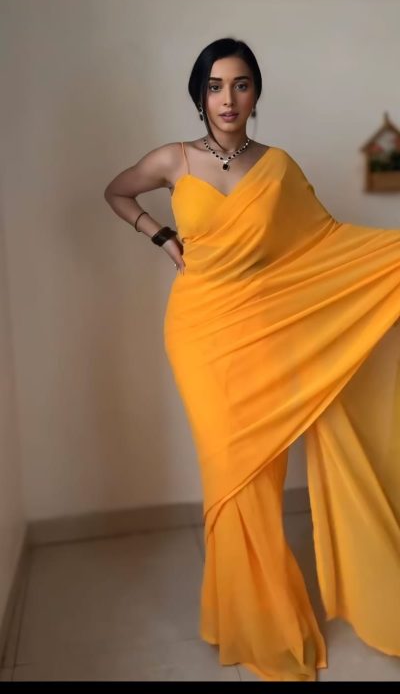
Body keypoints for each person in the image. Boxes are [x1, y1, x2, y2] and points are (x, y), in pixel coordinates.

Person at [104, 38, 400, 682]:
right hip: (199, 334)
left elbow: (323, 243)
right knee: (228, 475)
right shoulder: (173, 159)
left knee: (260, 476)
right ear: (199, 94)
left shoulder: (278, 167)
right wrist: (162, 236)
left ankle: (243, 617)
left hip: (264, 332)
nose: (228, 98)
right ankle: (251, 619)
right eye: (215, 86)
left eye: (240, 84)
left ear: (256, 92)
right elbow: (117, 192)